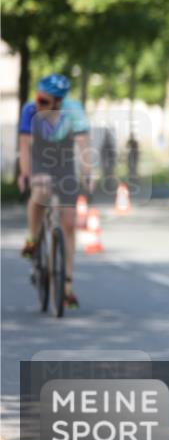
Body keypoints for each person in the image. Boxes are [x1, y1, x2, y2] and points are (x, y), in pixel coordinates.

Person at [17, 73, 92, 310]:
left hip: (63, 162)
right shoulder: (30, 110)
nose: (38, 103)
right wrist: (25, 174)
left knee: (69, 222)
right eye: (37, 97)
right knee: (41, 190)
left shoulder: (74, 111)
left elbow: (83, 145)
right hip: (40, 159)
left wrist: (87, 173)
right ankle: (32, 239)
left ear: (58, 102)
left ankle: (67, 285)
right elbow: (24, 145)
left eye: (44, 101)